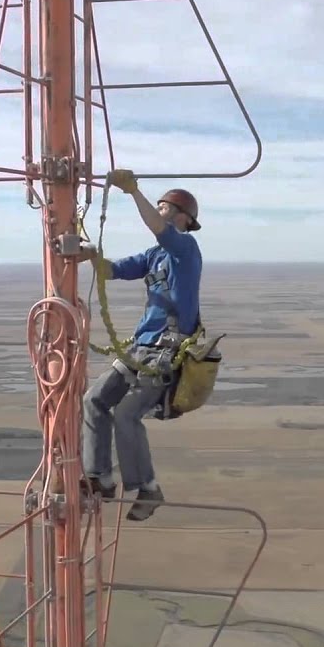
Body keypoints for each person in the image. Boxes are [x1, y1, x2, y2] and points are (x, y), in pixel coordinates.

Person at [76, 168, 203, 521]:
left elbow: (157, 228)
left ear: (181, 218)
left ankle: (148, 488)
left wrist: (134, 192)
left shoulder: (185, 249)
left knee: (127, 414)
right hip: (141, 349)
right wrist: (89, 255)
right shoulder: (154, 256)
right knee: (95, 400)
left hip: (166, 351)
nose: (159, 212)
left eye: (164, 208)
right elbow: (111, 270)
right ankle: (99, 477)